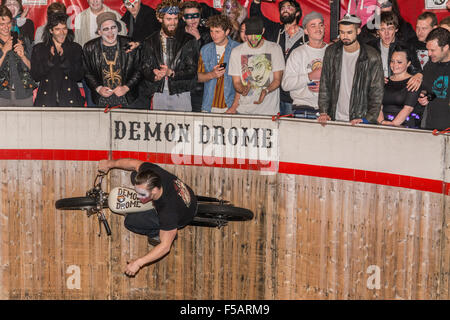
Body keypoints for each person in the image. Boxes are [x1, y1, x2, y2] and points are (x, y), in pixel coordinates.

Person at [98, 158, 197, 276]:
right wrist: (110, 164)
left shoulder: (168, 212)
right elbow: (133, 164)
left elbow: (165, 247)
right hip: (187, 194)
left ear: (155, 190)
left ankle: (156, 232)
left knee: (130, 221)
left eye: (142, 194)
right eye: (137, 192)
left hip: (184, 214)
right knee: (135, 175)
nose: (138, 197)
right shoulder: (151, 173)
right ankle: (149, 201)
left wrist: (138, 263)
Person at [318, 15, 384, 125]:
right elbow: (325, 84)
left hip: (359, 119)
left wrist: (367, 119)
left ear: (358, 31)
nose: (345, 36)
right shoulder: (331, 51)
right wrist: (324, 112)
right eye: (342, 32)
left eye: (349, 32)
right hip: (334, 117)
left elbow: (377, 92)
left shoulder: (372, 56)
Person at [140, 0, 199, 111]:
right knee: (160, 127)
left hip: (181, 93)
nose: (173, 23)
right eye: (169, 19)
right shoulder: (150, 41)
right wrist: (154, 75)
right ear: (160, 18)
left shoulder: (188, 40)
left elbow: (192, 70)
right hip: (159, 93)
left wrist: (171, 73)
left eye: (175, 18)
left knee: (182, 127)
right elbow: (145, 67)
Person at [250, 0, 305, 115]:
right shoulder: (275, 31)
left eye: (289, 7)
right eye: (282, 7)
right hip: (272, 94)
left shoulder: (306, 37)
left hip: (294, 95)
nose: (285, 9)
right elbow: (257, 19)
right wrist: (256, 2)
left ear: (297, 13)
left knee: (290, 130)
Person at [82, 12, 141, 109]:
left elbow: (139, 69)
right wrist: (98, 88)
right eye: (106, 29)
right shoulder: (89, 48)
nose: (110, 32)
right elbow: (86, 72)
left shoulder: (129, 44)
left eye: (113, 27)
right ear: (99, 32)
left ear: (118, 29)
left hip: (126, 99)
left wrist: (126, 88)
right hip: (101, 100)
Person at [228, 16, 285, 115]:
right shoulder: (237, 52)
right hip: (244, 110)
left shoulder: (274, 48)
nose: (253, 38)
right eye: (250, 35)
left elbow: (277, 80)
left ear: (262, 31)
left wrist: (266, 91)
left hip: (269, 111)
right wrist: (243, 89)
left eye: (256, 34)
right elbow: (236, 82)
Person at [74, 0, 127, 106]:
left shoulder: (115, 15)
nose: (95, 1)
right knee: (93, 105)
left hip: (114, 70)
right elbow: (77, 41)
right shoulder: (79, 17)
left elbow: (124, 39)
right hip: (90, 71)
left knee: (116, 106)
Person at [31, 12, 84, 107]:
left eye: (64, 29)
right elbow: (35, 76)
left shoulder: (75, 48)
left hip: (70, 98)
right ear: (51, 30)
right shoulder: (39, 49)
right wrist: (50, 60)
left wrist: (63, 59)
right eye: (57, 29)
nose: (62, 33)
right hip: (46, 99)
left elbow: (78, 76)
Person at [282, 12, 327, 118]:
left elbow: (342, 81)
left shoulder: (333, 52)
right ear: (306, 31)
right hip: (303, 109)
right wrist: (309, 76)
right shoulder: (298, 53)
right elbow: (286, 84)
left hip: (327, 110)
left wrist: (326, 87)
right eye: (313, 25)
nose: (318, 29)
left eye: (321, 25)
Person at [197, 14, 240, 113]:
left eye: (217, 32)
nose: (213, 35)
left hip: (230, 106)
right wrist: (212, 74)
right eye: (211, 31)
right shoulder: (205, 49)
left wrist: (234, 107)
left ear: (227, 32)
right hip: (208, 105)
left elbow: (244, 81)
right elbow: (198, 77)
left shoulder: (237, 49)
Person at [180, 1, 211, 112]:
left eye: (195, 16)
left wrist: (198, 38)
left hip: (200, 86)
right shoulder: (177, 33)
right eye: (189, 16)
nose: (193, 20)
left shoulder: (207, 34)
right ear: (183, 18)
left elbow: (207, 59)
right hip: (181, 84)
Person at [0, 5, 34, 106]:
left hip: (24, 95)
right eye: (2, 24)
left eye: (8, 23)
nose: (6, 27)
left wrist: (23, 56)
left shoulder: (23, 40)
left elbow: (34, 69)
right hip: (2, 95)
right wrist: (4, 51)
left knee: (28, 122)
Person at [377, 46, 419, 127]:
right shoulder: (385, 81)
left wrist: (393, 125)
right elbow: (378, 106)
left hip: (404, 126)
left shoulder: (413, 82)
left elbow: (408, 109)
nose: (394, 65)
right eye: (392, 61)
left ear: (408, 63)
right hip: (382, 124)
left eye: (399, 62)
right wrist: (382, 122)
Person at [418, 27, 450, 131]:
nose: (429, 54)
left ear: (445, 48)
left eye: (433, 50)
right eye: (428, 50)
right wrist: (425, 97)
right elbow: (432, 92)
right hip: (431, 125)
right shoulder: (430, 65)